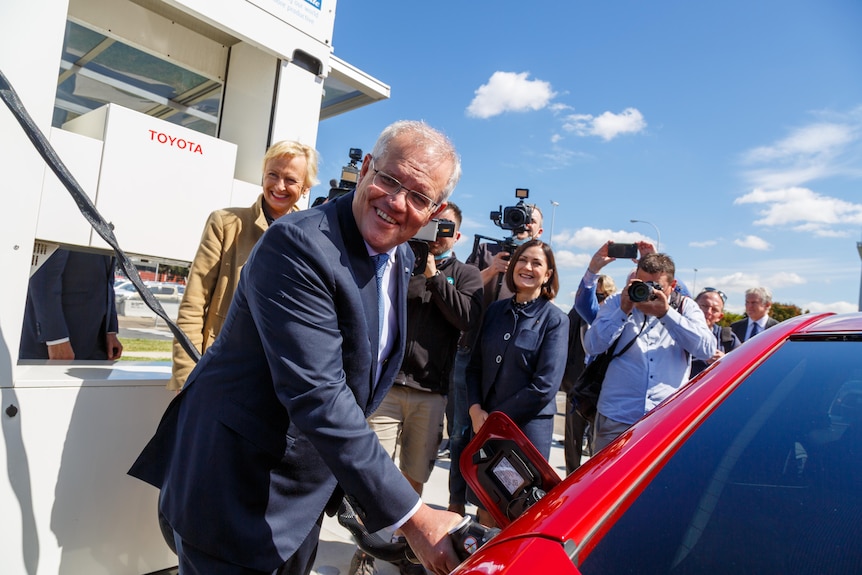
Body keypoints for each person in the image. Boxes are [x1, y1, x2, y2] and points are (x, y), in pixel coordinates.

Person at [129, 120, 464, 575]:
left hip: (300, 501)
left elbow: (359, 379)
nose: (396, 202)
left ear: (435, 211)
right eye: (389, 179)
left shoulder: (401, 257)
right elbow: (319, 395)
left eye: (419, 197)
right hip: (235, 493)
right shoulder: (298, 244)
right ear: (366, 168)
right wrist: (415, 518)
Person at [352, 203, 483, 575]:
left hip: (431, 392)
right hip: (389, 387)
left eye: (448, 228)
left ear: (457, 236)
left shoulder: (468, 274)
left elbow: (467, 318)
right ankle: (366, 548)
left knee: (412, 476)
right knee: (371, 475)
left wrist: (435, 277)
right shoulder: (400, 259)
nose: (439, 233)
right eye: (435, 224)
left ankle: (405, 548)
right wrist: (417, 266)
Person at [169, 140, 319, 389]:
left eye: (291, 180)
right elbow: (193, 304)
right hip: (221, 375)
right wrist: (187, 376)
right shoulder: (225, 223)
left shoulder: (313, 240)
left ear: (305, 188)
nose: (279, 186)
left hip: (278, 384)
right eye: (273, 175)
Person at [466, 239, 569, 526]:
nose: (527, 267)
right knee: (485, 506)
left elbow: (545, 386)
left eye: (537, 263)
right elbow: (473, 367)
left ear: (548, 274)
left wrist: (495, 420)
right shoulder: (495, 311)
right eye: (523, 260)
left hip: (525, 433)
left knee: (518, 512)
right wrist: (475, 410)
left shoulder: (555, 320)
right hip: (485, 426)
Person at [584, 253, 716, 453]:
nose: (647, 291)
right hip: (616, 417)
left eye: (656, 286)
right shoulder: (617, 302)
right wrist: (622, 311)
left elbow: (706, 349)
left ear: (672, 286)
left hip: (665, 421)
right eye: (641, 283)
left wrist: (666, 314)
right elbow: (592, 346)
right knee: (605, 481)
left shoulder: (684, 307)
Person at [19, 248, 123, 361]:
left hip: (97, 345)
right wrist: (56, 338)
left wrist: (110, 331)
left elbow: (108, 281)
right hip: (55, 348)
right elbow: (44, 277)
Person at [561, 274, 615, 474]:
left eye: (603, 297)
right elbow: (564, 346)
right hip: (576, 385)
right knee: (573, 438)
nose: (599, 302)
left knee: (597, 441)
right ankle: (569, 480)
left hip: (602, 389)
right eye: (595, 296)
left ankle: (592, 481)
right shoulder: (576, 314)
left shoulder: (615, 319)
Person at [467, 206, 543, 307]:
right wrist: (491, 270)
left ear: (539, 232)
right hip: (480, 320)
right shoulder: (484, 250)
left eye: (531, 220)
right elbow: (464, 285)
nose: (525, 224)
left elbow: (548, 298)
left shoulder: (542, 260)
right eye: (522, 217)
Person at [690, 287, 740, 377]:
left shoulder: (727, 338)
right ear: (693, 306)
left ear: (720, 317)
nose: (708, 312)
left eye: (714, 310)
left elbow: (741, 367)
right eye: (704, 306)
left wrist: (725, 360)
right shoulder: (675, 331)